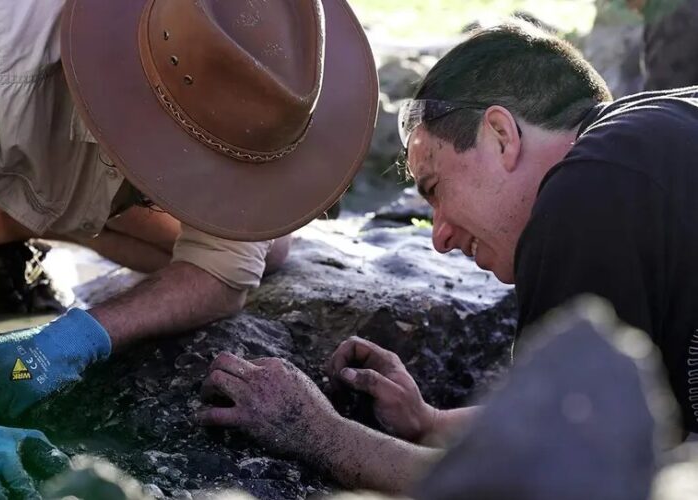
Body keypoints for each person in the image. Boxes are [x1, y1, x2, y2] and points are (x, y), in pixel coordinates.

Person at [200, 20, 698, 493]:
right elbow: (602, 423)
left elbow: (532, 481)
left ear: (501, 135)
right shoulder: (645, 151)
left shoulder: (587, 188)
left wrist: (314, 431)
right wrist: (429, 422)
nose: (438, 238)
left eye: (434, 188)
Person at [0, 0, 378, 496]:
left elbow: (229, 268)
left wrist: (74, 340)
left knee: (268, 249)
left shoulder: (264, 54)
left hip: (40, 135)